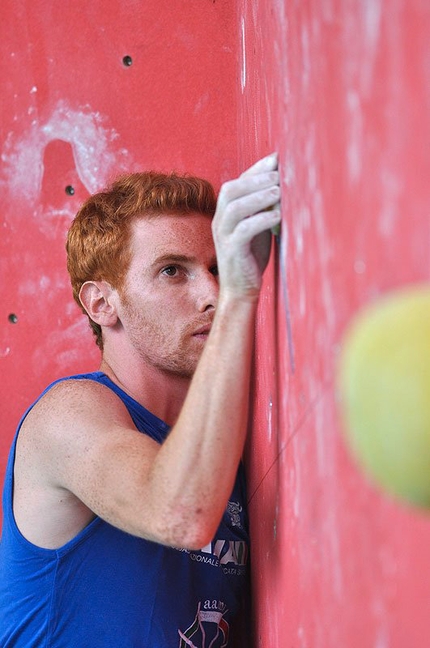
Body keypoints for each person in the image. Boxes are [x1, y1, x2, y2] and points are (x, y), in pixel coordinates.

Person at [0, 153, 281, 647]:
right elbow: (178, 511)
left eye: (218, 268)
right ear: (102, 303)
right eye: (174, 271)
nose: (211, 292)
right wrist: (242, 294)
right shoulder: (67, 416)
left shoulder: (218, 447)